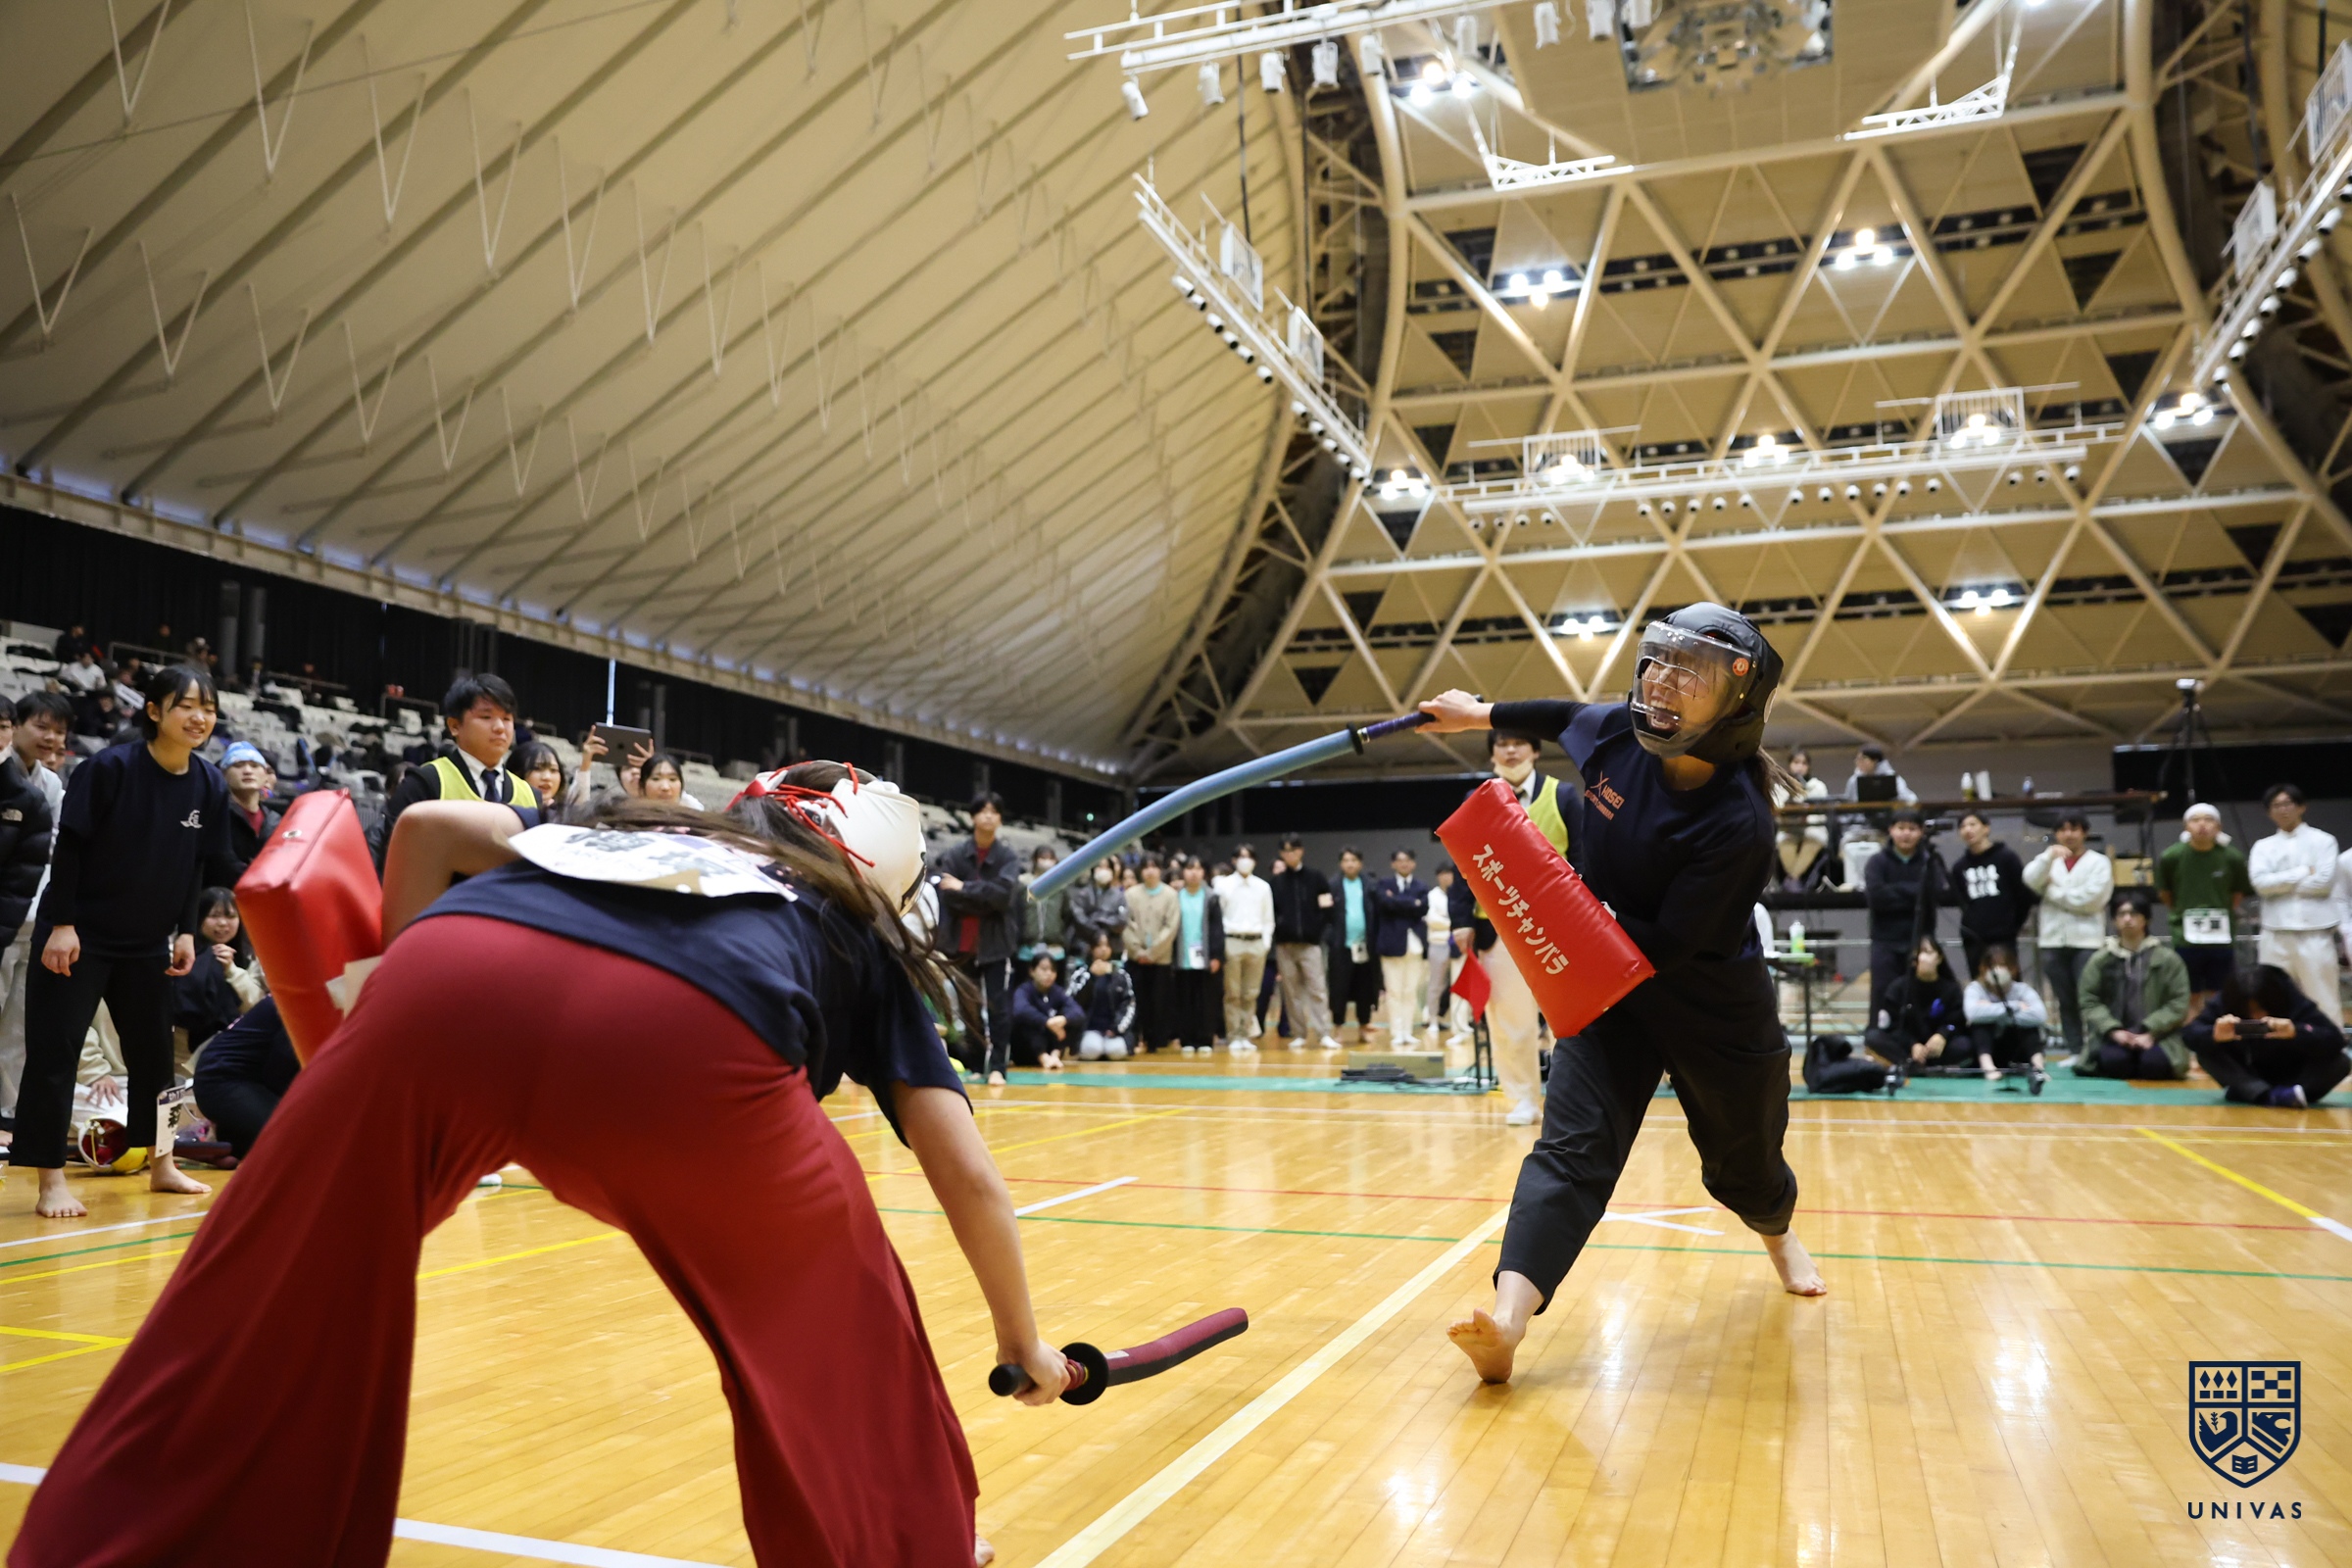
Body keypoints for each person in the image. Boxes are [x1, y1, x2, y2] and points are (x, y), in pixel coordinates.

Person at [10, 761, 1071, 1567]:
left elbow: (426, 829)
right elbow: (966, 1173)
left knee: (253, 1317)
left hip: (449, 975)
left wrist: (380, 1038)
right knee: (853, 1333)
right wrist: (1023, 1342)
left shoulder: (625, 826)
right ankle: (911, 1545)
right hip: (689, 1042)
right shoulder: (841, 923)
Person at [1420, 602, 1825, 1387]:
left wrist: (1560, 903)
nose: (1665, 681)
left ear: (1736, 706)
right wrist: (1480, 714)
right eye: (1661, 661)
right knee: (1570, 1149)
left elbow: (1669, 944)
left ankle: (1779, 1236)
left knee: (1744, 1164)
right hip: (1609, 991)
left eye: (1693, 675)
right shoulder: (1617, 736)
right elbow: (1563, 714)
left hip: (1708, 1001)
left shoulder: (1739, 823)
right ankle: (1507, 1321)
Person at [12, 665, 237, 1217]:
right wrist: (62, 924)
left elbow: (197, 864)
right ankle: (50, 1181)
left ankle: (163, 1163)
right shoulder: (109, 768)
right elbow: (69, 848)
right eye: (187, 705)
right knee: (55, 1054)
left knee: (155, 1059)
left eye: (208, 708)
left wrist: (186, 931)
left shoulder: (209, 783)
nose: (200, 717)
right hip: (79, 935)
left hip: (147, 943)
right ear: (155, 711)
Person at [1473, 720, 1569, 1124]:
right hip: (1498, 930)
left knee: (1570, 1023)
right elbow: (1463, 863)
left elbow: (1584, 858)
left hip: (1557, 928)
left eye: (1518, 743)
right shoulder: (1476, 800)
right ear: (1492, 752)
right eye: (1502, 744)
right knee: (1511, 1022)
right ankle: (1523, 1099)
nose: (1510, 750)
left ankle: (1570, 1103)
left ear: (1535, 750)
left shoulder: (1562, 795)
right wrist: (1463, 921)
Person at [368, 674, 540, 868]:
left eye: (507, 718)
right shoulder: (425, 782)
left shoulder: (531, 796)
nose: (500, 727)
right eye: (486, 717)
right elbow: (391, 856)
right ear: (455, 726)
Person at [0, 693, 71, 1138]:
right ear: (17, 726)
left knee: (19, 1023)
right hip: (6, 916)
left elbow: (56, 853)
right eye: (42, 727)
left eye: (59, 732)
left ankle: (8, 1111)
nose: (51, 738)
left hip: (36, 920)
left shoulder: (52, 785)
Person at [935, 792, 1023, 1085]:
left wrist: (965, 888)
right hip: (960, 944)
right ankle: (974, 1064)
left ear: (1000, 819)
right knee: (968, 1008)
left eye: (994, 811)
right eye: (982, 810)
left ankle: (998, 1067)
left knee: (998, 1007)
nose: (988, 815)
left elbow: (1004, 897)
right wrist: (984, 896)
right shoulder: (955, 854)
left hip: (995, 945)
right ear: (972, 816)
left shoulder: (1007, 857)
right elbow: (949, 896)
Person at [2182, 964, 2349, 1107]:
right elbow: (2189, 1034)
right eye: (2249, 1010)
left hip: (2295, 1078)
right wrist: (2213, 1035)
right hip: (2247, 1075)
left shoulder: (2292, 998)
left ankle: (2261, 1094)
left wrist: (2296, 1032)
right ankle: (2264, 1094)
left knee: (2341, 1062)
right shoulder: (2226, 999)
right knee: (2205, 1053)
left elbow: (2335, 1039)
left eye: (2261, 1008)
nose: (2256, 1016)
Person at [2247, 784, 2341, 1026]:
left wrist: (2278, 883)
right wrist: (2302, 872)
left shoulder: (2323, 841)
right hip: (2275, 932)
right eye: (2276, 805)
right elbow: (2261, 884)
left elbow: (2323, 883)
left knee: (2322, 995)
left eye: (2288, 803)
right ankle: (2276, 1045)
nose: (2283, 809)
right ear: (2269, 812)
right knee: (2272, 995)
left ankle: (2329, 1044)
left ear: (2301, 807)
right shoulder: (2263, 846)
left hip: (2315, 932)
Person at [2022, 813, 2112, 1059]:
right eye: (2062, 830)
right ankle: (2075, 1050)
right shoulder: (2049, 860)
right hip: (2052, 941)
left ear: (2085, 832)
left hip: (2087, 942)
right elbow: (2030, 879)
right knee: (2065, 999)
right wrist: (2047, 857)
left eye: (2074, 829)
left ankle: (2096, 1050)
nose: (2068, 834)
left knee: (2090, 998)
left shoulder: (2099, 862)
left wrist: (2051, 892)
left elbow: (2091, 900)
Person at [2075, 890, 2191, 1079]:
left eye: (2134, 913)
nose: (2127, 919)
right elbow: (2089, 1000)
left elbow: (2179, 1002)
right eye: (2121, 914)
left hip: (2159, 1035)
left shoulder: (2168, 960)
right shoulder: (2101, 960)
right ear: (2114, 920)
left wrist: (2150, 1032)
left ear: (2147, 919)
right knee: (2116, 1063)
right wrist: (2113, 1030)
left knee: (2153, 1065)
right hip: (2114, 1035)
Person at [2155, 802, 2252, 1011]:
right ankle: (2193, 1029)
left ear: (2219, 826)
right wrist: (2180, 912)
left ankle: (2217, 1028)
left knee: (2220, 992)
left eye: (2208, 820)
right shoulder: (2171, 856)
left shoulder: (2232, 857)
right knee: (2189, 993)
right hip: (2185, 937)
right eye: (2195, 820)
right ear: (2186, 826)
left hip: (2221, 938)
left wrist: (2222, 910)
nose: (2202, 825)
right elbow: (2165, 893)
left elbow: (2237, 892)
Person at [170, 886, 265, 1071]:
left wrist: (231, 970)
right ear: (198, 917)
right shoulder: (178, 954)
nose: (222, 923)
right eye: (214, 916)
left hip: (233, 1052)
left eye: (231, 916)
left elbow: (256, 1006)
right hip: (181, 1059)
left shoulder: (251, 956)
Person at [190, 995, 299, 1157]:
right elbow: (281, 1067)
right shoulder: (301, 1001)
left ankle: (230, 1141)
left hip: (245, 1079)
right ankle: (230, 1135)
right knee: (297, 1136)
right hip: (222, 1080)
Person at [1862, 808, 1940, 1022]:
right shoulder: (1877, 862)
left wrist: (1896, 891)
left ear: (1921, 832)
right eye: (1901, 828)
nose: (1906, 834)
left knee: (1919, 994)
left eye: (1912, 829)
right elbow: (1877, 898)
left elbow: (1932, 894)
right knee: (1882, 994)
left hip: (1919, 941)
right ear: (1891, 830)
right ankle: (1878, 1038)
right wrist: (1914, 892)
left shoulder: (1929, 861)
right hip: (1885, 942)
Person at [1268, 835, 1337, 1050]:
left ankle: (1324, 1033)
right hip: (1285, 946)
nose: (1290, 854)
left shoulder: (1316, 878)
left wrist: (1316, 931)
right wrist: (1280, 931)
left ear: (1301, 851)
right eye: (1286, 851)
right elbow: (1271, 914)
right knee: (1291, 992)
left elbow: (1327, 908)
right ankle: (1298, 1033)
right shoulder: (1276, 883)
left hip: (1310, 945)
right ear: (1281, 854)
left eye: (1294, 850)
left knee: (1317, 989)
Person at [1950, 808, 2033, 979]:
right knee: (1979, 984)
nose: (1967, 830)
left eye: (1972, 824)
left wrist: (2012, 925)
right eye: (1963, 827)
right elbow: (1961, 900)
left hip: (2004, 936)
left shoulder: (2006, 858)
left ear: (1986, 828)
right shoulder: (1959, 867)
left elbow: (2023, 895)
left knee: (2008, 982)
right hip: (1974, 938)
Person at [1864, 937, 1966, 1071]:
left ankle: (1930, 1065)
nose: (1923, 958)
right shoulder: (1898, 988)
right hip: (1908, 1048)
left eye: (1927, 952)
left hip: (1938, 1047)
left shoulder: (1951, 989)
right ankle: (1911, 1064)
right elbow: (1892, 1026)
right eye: (1919, 953)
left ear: (1939, 958)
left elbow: (1957, 1020)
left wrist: (1942, 1035)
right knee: (1873, 1037)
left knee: (1964, 1045)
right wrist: (1912, 1044)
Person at [1212, 843, 1273, 1052]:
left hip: (1256, 942)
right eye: (1241, 856)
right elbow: (1217, 918)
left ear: (1254, 861)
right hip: (1232, 941)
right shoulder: (1224, 885)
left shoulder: (1263, 887)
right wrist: (1221, 945)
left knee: (1251, 993)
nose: (1245, 861)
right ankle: (1233, 1035)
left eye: (1249, 856)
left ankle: (1245, 1034)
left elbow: (1268, 919)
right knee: (1232, 993)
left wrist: (1265, 943)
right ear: (1234, 860)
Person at [1963, 945, 2049, 1090]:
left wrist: (1992, 1010)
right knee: (1981, 1024)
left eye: (2002, 965)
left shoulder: (2023, 989)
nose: (1998, 969)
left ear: (2013, 969)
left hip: (2015, 1046)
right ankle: (1988, 1067)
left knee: (2029, 1026)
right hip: (1988, 1046)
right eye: (1993, 965)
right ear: (1983, 968)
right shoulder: (1975, 988)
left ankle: (2038, 1068)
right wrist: (2015, 1006)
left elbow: (2040, 1015)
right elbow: (1972, 1013)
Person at [1372, 848, 1431, 1047]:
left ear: (1413, 863)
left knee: (1410, 991)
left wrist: (1396, 900)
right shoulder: (1384, 884)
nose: (1404, 864)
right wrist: (1411, 903)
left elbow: (1423, 907)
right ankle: (1397, 1031)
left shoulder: (1421, 886)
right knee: (1394, 991)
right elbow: (1384, 904)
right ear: (1393, 864)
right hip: (1391, 945)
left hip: (1414, 945)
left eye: (1408, 860)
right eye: (1400, 860)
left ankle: (1407, 1031)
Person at [1169, 855, 1224, 1054]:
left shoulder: (1211, 897)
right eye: (1190, 868)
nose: (1194, 873)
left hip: (1205, 957)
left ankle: (1205, 1039)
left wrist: (1217, 956)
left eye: (1198, 868)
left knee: (1206, 1000)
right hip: (1182, 958)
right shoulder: (1176, 897)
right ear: (1183, 872)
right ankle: (1187, 1039)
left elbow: (1217, 929)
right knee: (1184, 999)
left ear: (1204, 873)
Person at [1123, 852, 1177, 1053]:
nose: (1150, 871)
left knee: (1158, 1002)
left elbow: (1171, 927)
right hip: (1136, 959)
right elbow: (1126, 924)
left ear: (1160, 870)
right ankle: (1136, 1038)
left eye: (1154, 866)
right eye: (1146, 867)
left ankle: (1156, 1040)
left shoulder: (1170, 895)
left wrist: (1153, 952)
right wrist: (1138, 951)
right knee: (1137, 1000)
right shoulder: (1130, 895)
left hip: (1160, 959)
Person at [1327, 846, 1381, 1042]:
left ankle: (1364, 1026)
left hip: (1365, 946)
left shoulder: (1370, 885)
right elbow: (1325, 916)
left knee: (1365, 989)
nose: (1350, 864)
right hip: (1341, 947)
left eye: (1353, 860)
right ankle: (1338, 1028)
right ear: (1341, 864)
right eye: (1346, 860)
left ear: (1360, 863)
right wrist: (1331, 938)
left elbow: (1377, 913)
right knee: (1339, 988)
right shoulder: (1332, 885)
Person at [219, 740, 284, 878]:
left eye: (255, 766)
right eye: (238, 765)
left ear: (265, 776)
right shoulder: (216, 813)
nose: (248, 771)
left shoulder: (275, 821)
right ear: (224, 775)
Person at [1007, 952, 1080, 1072]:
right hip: (1026, 1052)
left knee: (1070, 1018)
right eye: (1044, 969)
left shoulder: (1058, 992)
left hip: (1051, 1045)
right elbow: (1019, 1010)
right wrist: (1047, 1022)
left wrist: (1064, 1019)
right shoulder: (1023, 990)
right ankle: (1043, 1057)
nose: (1049, 974)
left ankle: (1055, 1055)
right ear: (1032, 971)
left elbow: (1078, 1012)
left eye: (1053, 970)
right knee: (1026, 1021)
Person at [1067, 933, 1135, 1060]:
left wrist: (1116, 1028)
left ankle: (1107, 1047)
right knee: (1092, 1050)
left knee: (1116, 1051)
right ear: (1091, 948)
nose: (1103, 949)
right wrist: (1091, 978)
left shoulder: (1121, 976)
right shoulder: (1080, 974)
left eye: (1107, 946)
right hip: (1089, 1030)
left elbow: (1129, 1004)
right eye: (1099, 946)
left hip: (1113, 1031)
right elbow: (1072, 1003)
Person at [1774, 747, 1831, 887]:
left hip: (1813, 829)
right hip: (1787, 830)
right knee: (1785, 845)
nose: (1800, 766)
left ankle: (1792, 880)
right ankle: (1794, 882)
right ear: (1789, 764)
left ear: (1808, 766)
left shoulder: (1818, 786)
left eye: (1804, 763)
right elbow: (1776, 811)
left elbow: (1821, 814)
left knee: (1812, 843)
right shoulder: (1780, 786)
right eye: (1796, 762)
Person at [1063, 855, 1127, 960]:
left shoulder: (1119, 895)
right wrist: (1097, 932)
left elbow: (1121, 920)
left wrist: (1099, 922)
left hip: (1112, 946)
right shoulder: (1082, 894)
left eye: (1107, 867)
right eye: (1100, 867)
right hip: (1083, 945)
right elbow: (1079, 918)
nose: (1103, 870)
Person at [1018, 846, 1068, 975]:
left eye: (1050, 858)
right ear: (1035, 860)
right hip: (1027, 948)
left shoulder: (1061, 886)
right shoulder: (1023, 884)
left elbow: (1066, 915)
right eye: (1043, 858)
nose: (1046, 862)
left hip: (1054, 948)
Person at [634, 751, 706, 810]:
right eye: (656, 779)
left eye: (672, 779)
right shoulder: (632, 815)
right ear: (641, 785)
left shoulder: (693, 813)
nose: (665, 787)